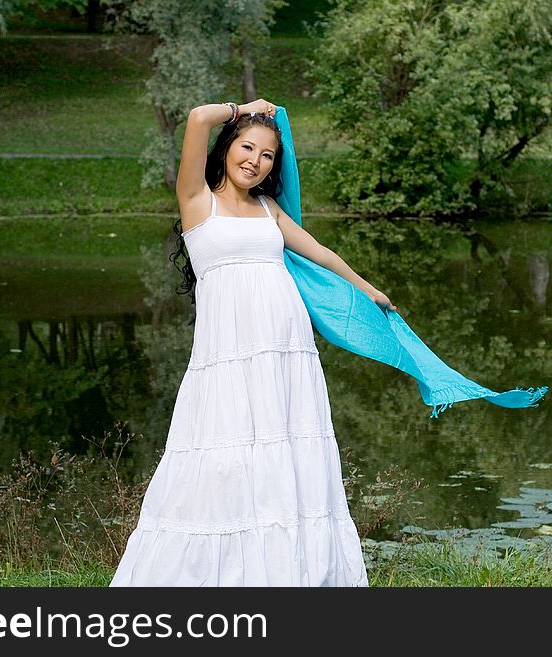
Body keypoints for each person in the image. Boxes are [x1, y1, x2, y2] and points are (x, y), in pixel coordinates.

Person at [108, 99, 393, 586]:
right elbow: (197, 118)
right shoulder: (197, 199)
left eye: (267, 156)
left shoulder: (268, 209)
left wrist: (367, 289)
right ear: (228, 149)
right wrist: (244, 108)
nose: (255, 161)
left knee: (287, 452)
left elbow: (319, 251)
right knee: (224, 456)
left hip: (286, 352)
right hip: (228, 356)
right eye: (247, 147)